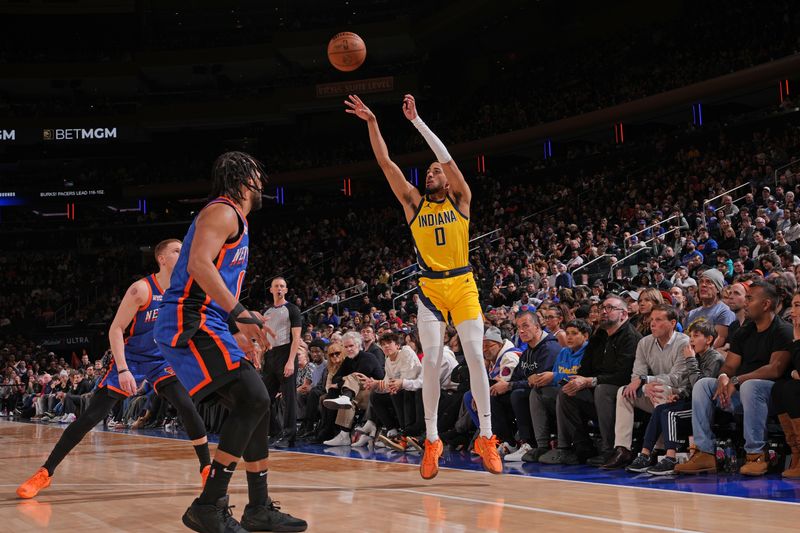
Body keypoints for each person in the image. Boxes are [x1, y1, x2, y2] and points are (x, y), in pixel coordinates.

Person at [346, 93, 501, 478]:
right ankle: (432, 440)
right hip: (430, 290)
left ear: (448, 179)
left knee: (475, 356)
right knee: (431, 360)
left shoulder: (461, 199)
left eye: (436, 171)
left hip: (462, 283)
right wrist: (372, 123)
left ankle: (486, 435)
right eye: (428, 171)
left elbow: (446, 156)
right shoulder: (414, 204)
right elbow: (385, 162)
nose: (430, 173)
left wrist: (417, 122)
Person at [153, 153, 306, 532]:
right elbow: (198, 266)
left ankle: (258, 508)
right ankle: (209, 504)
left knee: (256, 404)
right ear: (242, 180)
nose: (262, 181)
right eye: (256, 174)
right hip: (187, 319)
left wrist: (237, 329)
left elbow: (215, 279)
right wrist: (240, 314)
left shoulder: (238, 221)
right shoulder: (221, 212)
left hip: (209, 321)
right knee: (254, 397)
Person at [16, 239, 213, 501]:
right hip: (129, 359)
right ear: (162, 259)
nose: (183, 253)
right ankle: (45, 472)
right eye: (177, 250)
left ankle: (206, 468)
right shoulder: (142, 289)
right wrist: (122, 370)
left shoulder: (184, 291)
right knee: (89, 418)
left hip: (161, 359)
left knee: (186, 405)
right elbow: (116, 329)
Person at [676, 280, 792, 476]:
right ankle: (704, 452)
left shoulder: (783, 329)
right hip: (738, 393)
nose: (745, 303)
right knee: (704, 384)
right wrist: (723, 376)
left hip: (772, 398)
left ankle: (756, 455)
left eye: (749, 298)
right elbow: (729, 365)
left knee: (751, 386)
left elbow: (775, 370)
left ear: (766, 304)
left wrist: (737, 380)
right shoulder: (743, 331)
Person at [262, 276, 304, 448]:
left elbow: (296, 338)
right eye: (276, 286)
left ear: (286, 290)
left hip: (286, 353)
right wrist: (259, 358)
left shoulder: (292, 309)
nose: (279, 288)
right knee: (264, 398)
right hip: (270, 356)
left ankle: (289, 435)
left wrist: (290, 361)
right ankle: (276, 431)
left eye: (282, 286)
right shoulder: (266, 312)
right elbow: (264, 339)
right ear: (271, 290)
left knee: (289, 397)